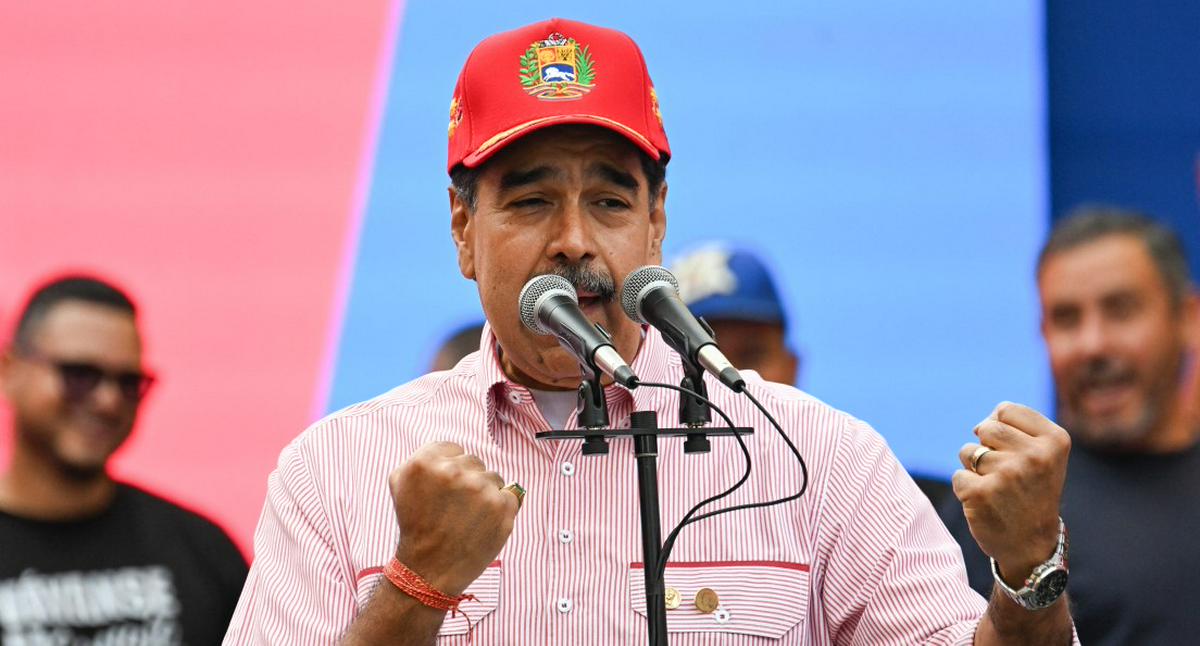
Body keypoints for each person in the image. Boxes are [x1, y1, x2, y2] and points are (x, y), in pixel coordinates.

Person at [226, 18, 1077, 644]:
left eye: (609, 200)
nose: (574, 240)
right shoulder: (336, 469)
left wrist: (1027, 572)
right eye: (531, 201)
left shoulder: (816, 458)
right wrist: (415, 587)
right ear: (462, 229)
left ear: (656, 222)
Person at [939, 206, 1200, 644]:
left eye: (1121, 310)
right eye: (1066, 318)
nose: (1092, 345)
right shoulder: (1003, 504)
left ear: (1187, 318)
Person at [0, 276, 248, 645]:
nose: (108, 401)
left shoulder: (201, 552)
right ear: (8, 370)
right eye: (79, 375)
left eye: (129, 383)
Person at [672, 243, 955, 509]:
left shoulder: (914, 509)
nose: (727, 378)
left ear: (792, 366)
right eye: (697, 361)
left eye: (752, 355)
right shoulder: (646, 513)